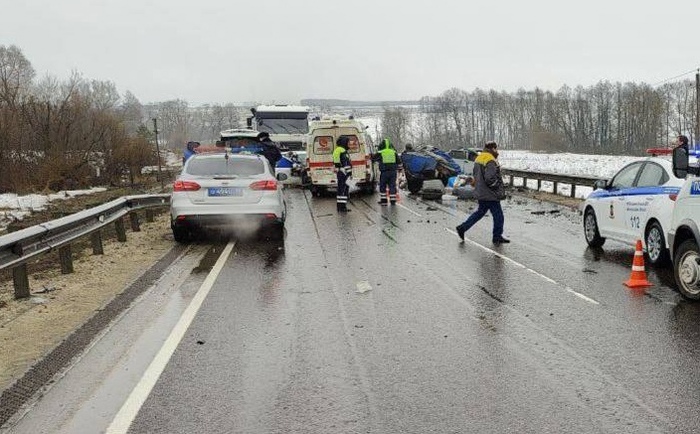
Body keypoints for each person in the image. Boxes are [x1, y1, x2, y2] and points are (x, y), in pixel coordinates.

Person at [455, 141, 510, 244]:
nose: (497, 151)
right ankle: (497, 237)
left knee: (480, 213)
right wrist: (497, 186)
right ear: (493, 149)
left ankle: (463, 227)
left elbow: (476, 176)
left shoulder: (479, 158)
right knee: (498, 215)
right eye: (496, 148)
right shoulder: (490, 160)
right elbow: (490, 179)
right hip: (490, 194)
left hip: (481, 191)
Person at [372, 138, 402, 205]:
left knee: (383, 186)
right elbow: (399, 162)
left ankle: (384, 201)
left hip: (384, 172)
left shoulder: (380, 152)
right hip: (393, 172)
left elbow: (373, 159)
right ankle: (393, 201)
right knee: (392, 186)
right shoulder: (393, 152)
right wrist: (399, 170)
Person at [333, 136, 352, 212]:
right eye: (348, 143)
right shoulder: (341, 151)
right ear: (344, 143)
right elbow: (344, 163)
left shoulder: (340, 150)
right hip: (343, 173)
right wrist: (349, 173)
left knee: (342, 189)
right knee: (343, 190)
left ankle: (342, 206)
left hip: (343, 173)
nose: (349, 144)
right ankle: (342, 207)